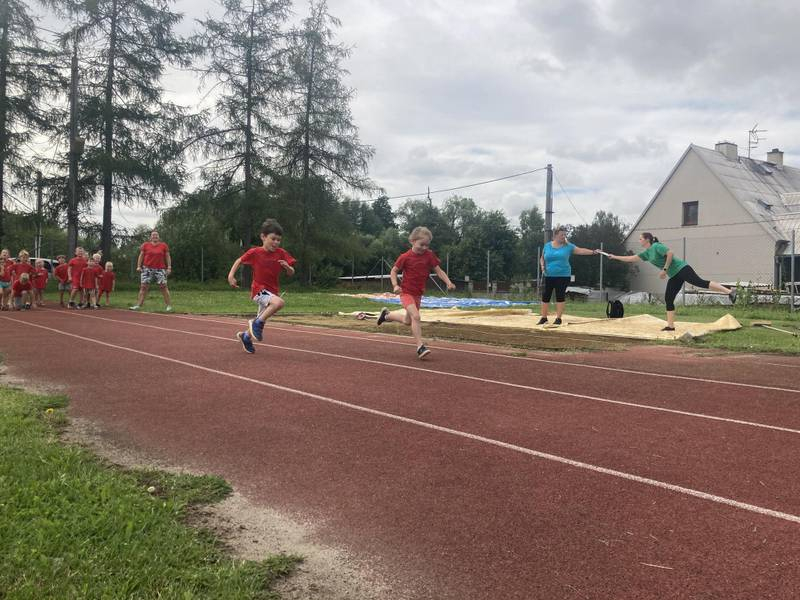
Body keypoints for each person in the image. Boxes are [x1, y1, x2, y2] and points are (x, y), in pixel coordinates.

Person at [608, 232, 736, 331]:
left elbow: (670, 253)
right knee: (668, 299)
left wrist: (664, 269)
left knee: (700, 283)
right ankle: (670, 326)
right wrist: (614, 257)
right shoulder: (646, 253)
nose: (639, 240)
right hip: (674, 275)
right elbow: (631, 258)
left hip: (682, 268)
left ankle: (730, 291)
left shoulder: (656, 246)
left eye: (641, 238)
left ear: (647, 239)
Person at [376, 226, 455, 359]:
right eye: (421, 244)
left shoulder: (429, 255)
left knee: (408, 321)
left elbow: (439, 271)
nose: (424, 248)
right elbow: (394, 271)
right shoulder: (405, 257)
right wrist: (395, 285)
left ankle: (386, 315)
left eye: (427, 245)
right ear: (412, 241)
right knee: (416, 317)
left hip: (418, 294)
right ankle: (420, 346)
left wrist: (448, 282)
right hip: (406, 293)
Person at [227, 219, 295, 354]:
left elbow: (291, 272)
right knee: (279, 303)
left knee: (261, 319)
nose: (276, 242)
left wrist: (288, 267)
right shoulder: (255, 252)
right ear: (263, 237)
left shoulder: (281, 253)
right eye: (273, 239)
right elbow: (239, 260)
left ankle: (246, 337)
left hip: (272, 292)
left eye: (279, 240)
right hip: (259, 290)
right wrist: (231, 276)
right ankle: (256, 323)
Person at [537, 226, 598, 326]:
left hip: (563, 275)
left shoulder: (568, 246)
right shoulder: (547, 246)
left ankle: (558, 319)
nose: (564, 237)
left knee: (560, 295)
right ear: (555, 235)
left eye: (565, 235)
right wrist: (542, 266)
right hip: (548, 275)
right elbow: (542, 258)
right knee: (545, 295)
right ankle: (544, 318)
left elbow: (580, 250)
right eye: (562, 235)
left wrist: (593, 252)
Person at [131, 230, 173, 311]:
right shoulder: (145, 245)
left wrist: (169, 267)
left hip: (160, 269)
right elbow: (141, 255)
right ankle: (138, 305)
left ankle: (169, 306)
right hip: (147, 268)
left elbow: (167, 256)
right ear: (150, 237)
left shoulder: (163, 245)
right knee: (143, 287)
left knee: (163, 286)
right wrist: (138, 266)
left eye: (156, 235)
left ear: (159, 237)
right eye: (153, 235)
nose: (155, 236)